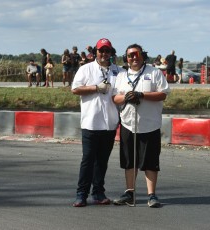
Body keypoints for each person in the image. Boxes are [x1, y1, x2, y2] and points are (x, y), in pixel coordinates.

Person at [112, 43, 171, 208]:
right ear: (126, 58)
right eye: (130, 55)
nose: (133, 58)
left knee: (150, 161)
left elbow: (163, 94)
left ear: (142, 55)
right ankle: (130, 192)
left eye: (136, 54)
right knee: (129, 160)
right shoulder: (122, 76)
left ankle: (151, 195)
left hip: (149, 124)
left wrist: (142, 95)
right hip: (128, 123)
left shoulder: (154, 73)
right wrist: (126, 98)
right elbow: (115, 98)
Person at [71, 38, 125, 207]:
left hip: (109, 123)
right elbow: (75, 89)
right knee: (88, 159)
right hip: (91, 122)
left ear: (111, 53)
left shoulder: (119, 71)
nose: (104, 54)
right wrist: (95, 88)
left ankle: (98, 192)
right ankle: (81, 194)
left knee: (102, 160)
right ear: (96, 52)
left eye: (107, 51)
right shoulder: (85, 69)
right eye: (101, 50)